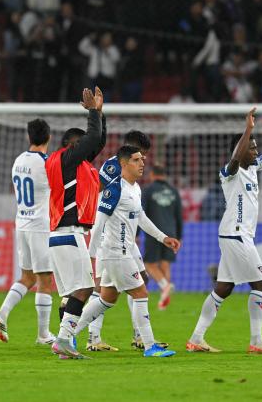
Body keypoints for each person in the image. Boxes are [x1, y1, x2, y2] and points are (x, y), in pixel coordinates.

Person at [54, 145, 181, 359]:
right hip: (115, 252)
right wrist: (91, 254)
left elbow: (141, 218)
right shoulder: (115, 189)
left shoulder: (136, 188)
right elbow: (99, 222)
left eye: (142, 160)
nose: (142, 164)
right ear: (123, 164)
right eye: (136, 160)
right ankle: (150, 346)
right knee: (140, 293)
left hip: (121, 252)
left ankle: (65, 337)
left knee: (107, 299)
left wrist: (163, 238)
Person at [187, 106, 262, 354]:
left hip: (237, 235)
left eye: (256, 147)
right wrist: (247, 130)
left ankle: (196, 338)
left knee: (224, 288)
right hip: (235, 234)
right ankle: (256, 341)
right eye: (252, 147)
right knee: (261, 284)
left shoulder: (254, 168)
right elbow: (235, 159)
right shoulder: (229, 173)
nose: (256, 151)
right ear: (241, 149)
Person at [47, 87, 105, 359]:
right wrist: (92, 112)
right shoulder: (68, 158)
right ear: (73, 145)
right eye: (82, 147)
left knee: (73, 292)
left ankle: (64, 346)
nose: (88, 152)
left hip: (60, 235)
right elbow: (92, 139)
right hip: (69, 234)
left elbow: (96, 141)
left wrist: (100, 113)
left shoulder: (66, 162)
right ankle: (63, 340)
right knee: (85, 288)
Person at [89, 129, 158, 352]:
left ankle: (139, 335)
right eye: (140, 155)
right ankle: (92, 338)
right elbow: (97, 192)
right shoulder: (112, 167)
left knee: (139, 280)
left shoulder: (133, 183)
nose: (143, 160)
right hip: (108, 233)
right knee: (102, 288)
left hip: (125, 236)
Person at [0, 119, 56, 345]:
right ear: (49, 138)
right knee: (45, 280)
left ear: (29, 137)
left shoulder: (18, 160)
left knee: (27, 277)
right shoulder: (47, 164)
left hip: (22, 223)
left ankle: (2, 315)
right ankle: (43, 334)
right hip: (40, 226)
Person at [142, 164, 183, 310]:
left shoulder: (148, 190)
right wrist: (180, 236)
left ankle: (165, 287)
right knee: (165, 264)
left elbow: (141, 214)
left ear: (152, 174)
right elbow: (179, 216)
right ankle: (164, 300)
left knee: (149, 264)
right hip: (171, 232)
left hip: (155, 232)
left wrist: (135, 234)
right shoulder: (173, 191)